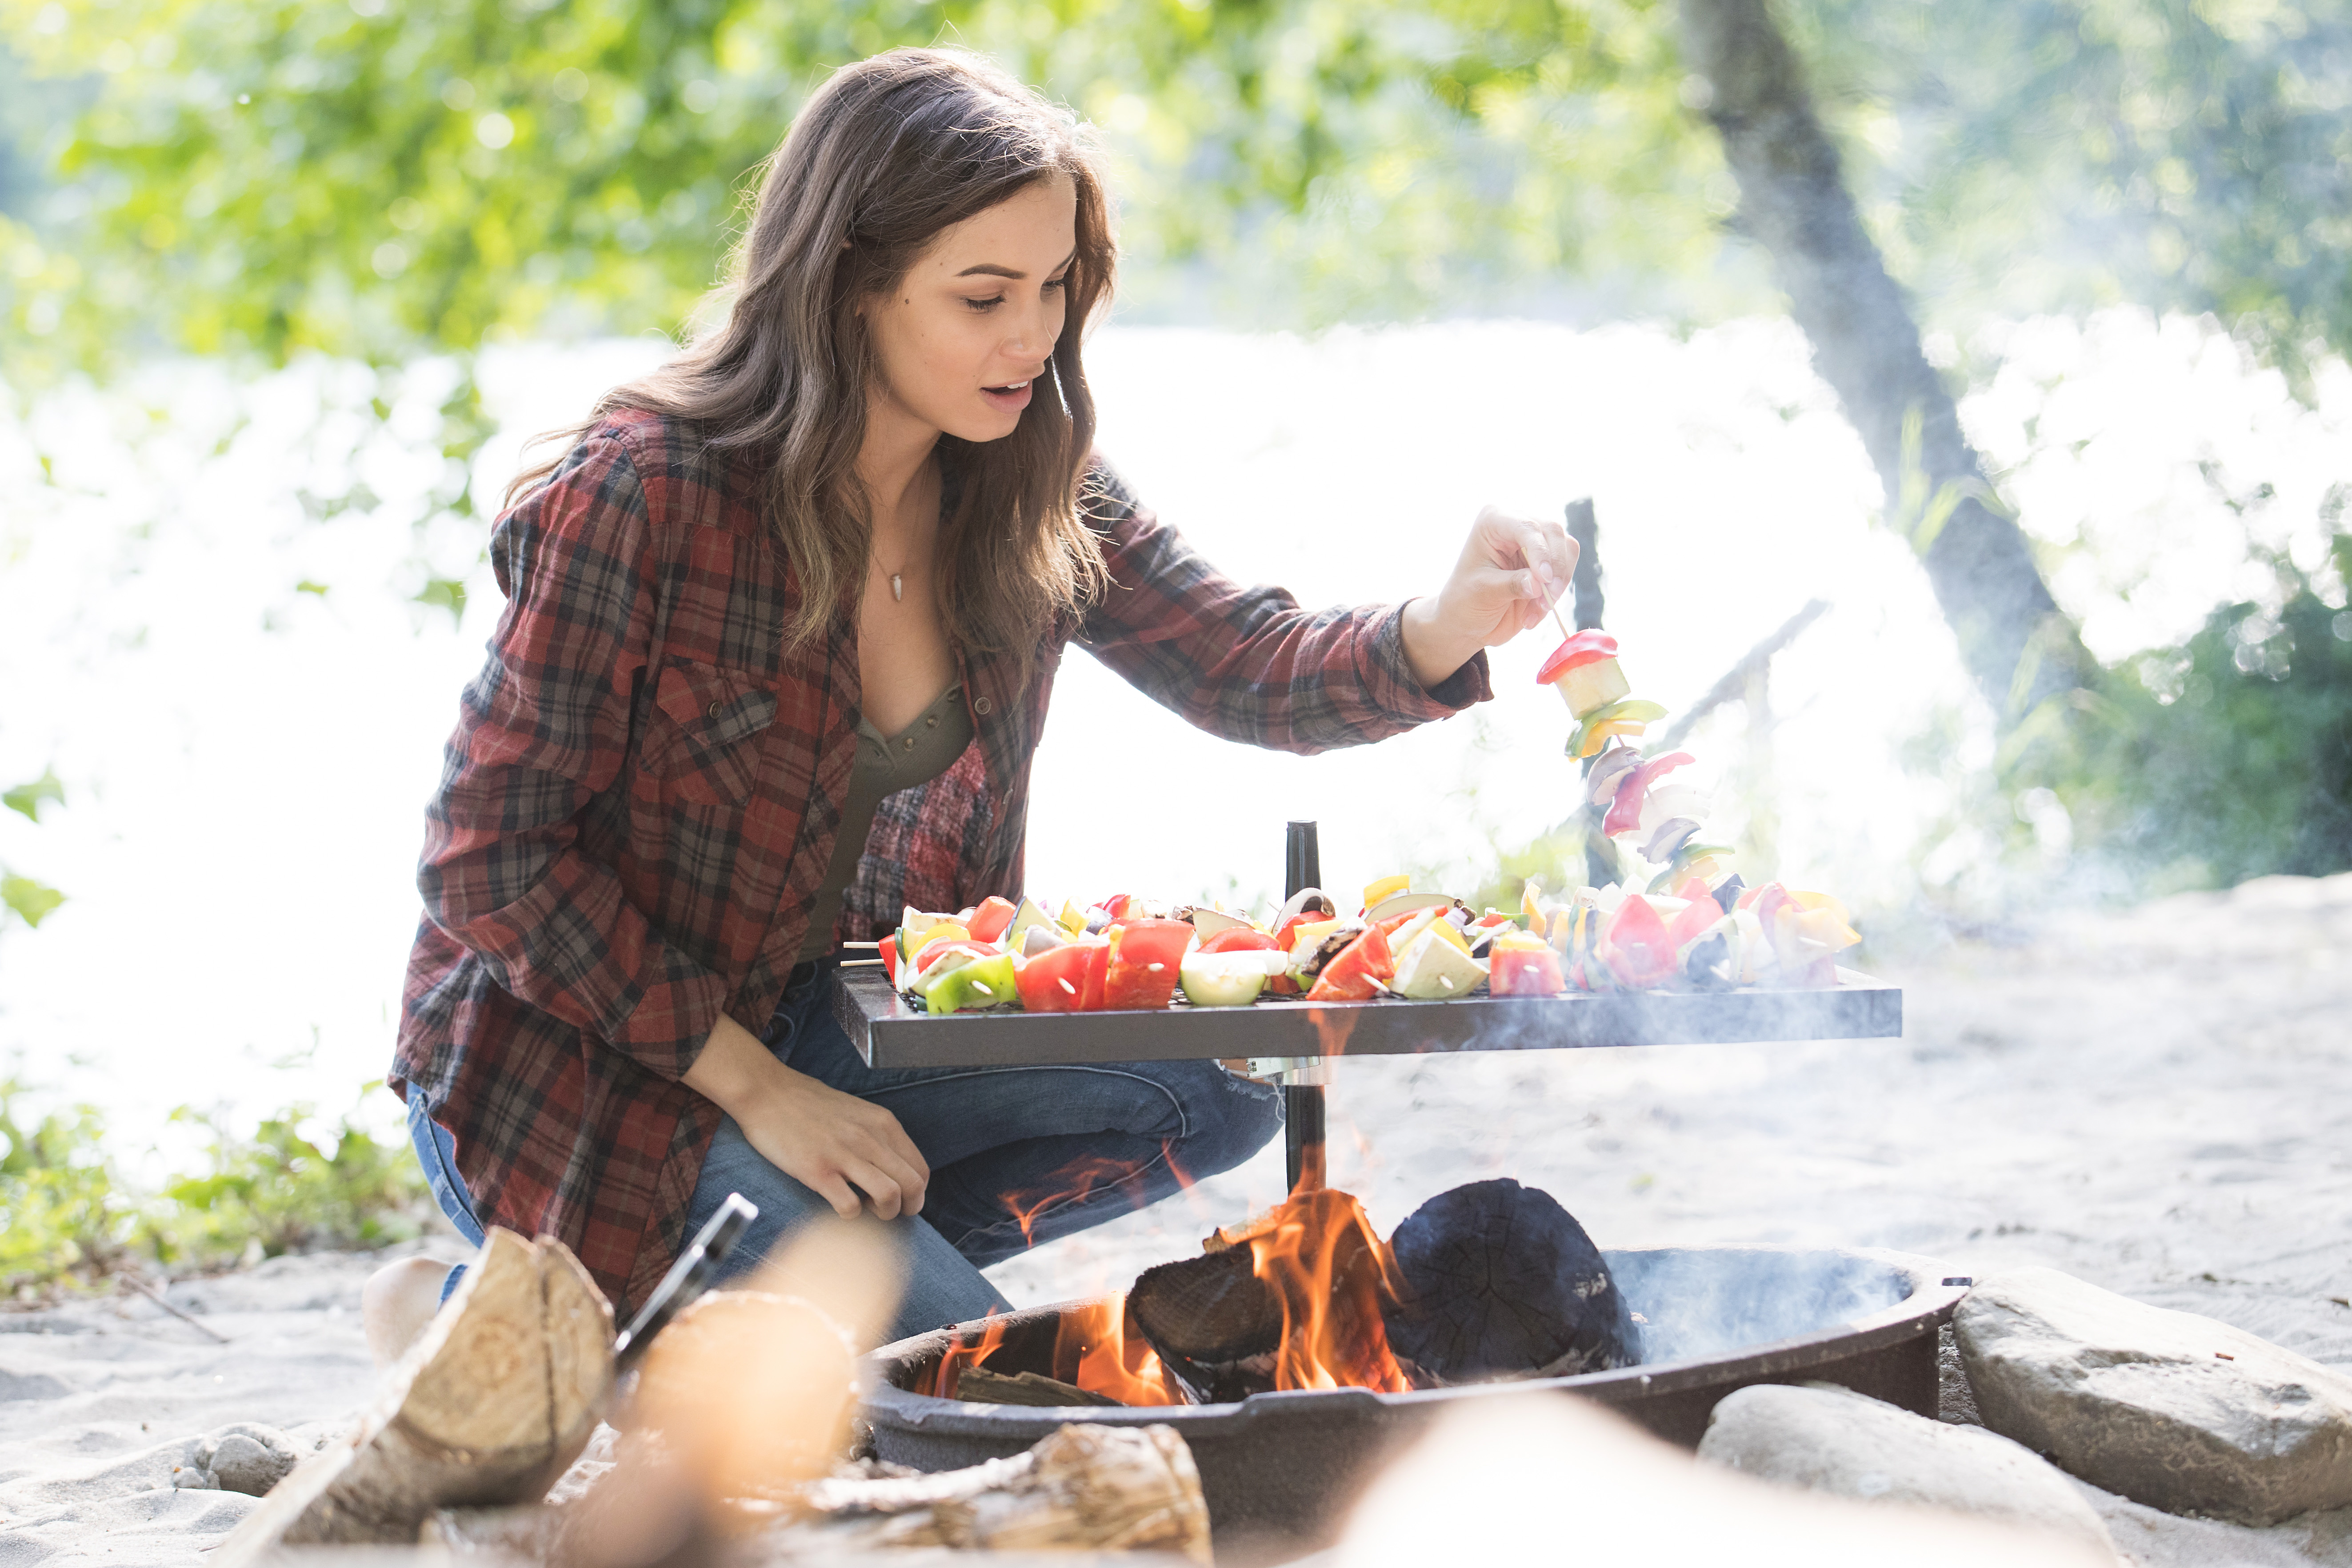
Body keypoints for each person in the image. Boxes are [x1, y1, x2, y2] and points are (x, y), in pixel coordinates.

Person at [365, 46, 1576, 1362]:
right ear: (850, 290)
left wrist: (1447, 620)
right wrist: (764, 1097)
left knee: (1217, 1088)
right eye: (983, 295)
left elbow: (1245, 664)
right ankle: (582, 1305)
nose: (1031, 338)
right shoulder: (648, 492)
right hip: (588, 1075)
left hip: (834, 1033)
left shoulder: (1028, 485)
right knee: (985, 1373)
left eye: (1056, 287)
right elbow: (489, 857)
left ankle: (769, 1282)